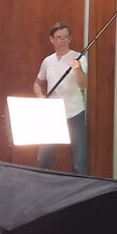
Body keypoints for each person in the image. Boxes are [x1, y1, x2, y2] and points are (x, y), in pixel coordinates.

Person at [32, 22, 88, 175]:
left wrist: (77, 69)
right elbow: (37, 83)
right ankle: (40, 190)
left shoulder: (79, 58)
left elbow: (83, 85)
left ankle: (80, 194)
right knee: (43, 159)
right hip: (52, 115)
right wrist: (40, 96)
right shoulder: (48, 61)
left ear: (70, 39)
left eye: (65, 37)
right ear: (52, 39)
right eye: (58, 37)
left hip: (74, 113)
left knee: (79, 161)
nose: (62, 40)